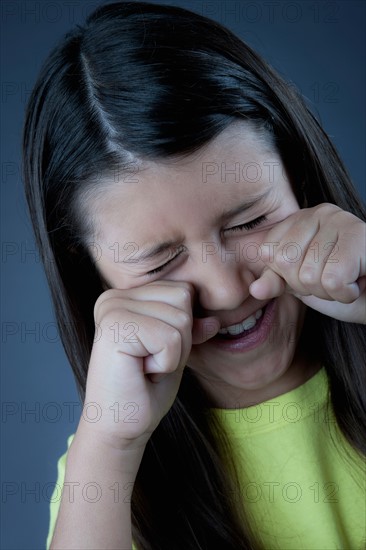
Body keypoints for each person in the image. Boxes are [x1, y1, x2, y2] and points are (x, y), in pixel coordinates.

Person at [23, 2, 365, 549]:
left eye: (251, 221)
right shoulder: (105, 480)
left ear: (299, 179)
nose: (230, 291)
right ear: (89, 271)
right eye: (160, 262)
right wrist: (111, 442)